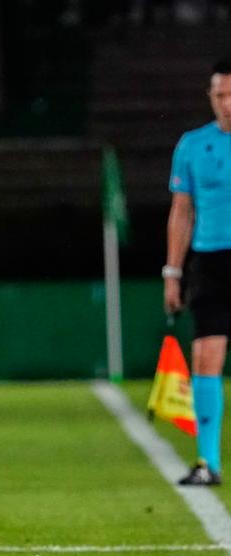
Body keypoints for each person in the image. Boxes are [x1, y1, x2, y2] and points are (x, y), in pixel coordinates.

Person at [164, 59, 231, 486]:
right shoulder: (191, 145)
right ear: (210, 98)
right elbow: (181, 212)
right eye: (221, 95)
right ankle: (208, 462)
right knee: (206, 357)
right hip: (210, 263)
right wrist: (173, 270)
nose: (228, 103)